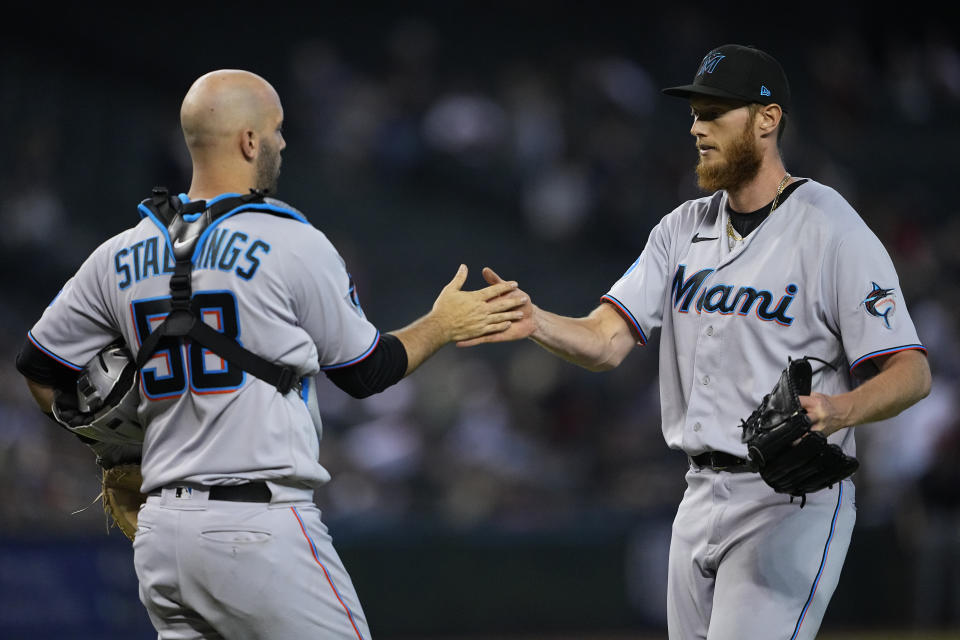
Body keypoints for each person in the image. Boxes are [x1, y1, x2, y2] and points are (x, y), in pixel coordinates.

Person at [15, 69, 527, 639]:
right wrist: (442, 324)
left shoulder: (118, 253)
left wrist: (116, 452)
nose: (283, 142)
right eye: (277, 129)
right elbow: (366, 372)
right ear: (249, 141)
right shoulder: (291, 241)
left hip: (161, 535)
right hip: (257, 529)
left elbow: (40, 372)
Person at [462, 44, 932, 639]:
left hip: (788, 498)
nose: (697, 129)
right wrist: (538, 322)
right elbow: (607, 340)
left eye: (714, 113)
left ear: (768, 119)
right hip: (696, 496)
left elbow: (911, 370)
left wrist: (842, 409)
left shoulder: (829, 226)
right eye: (694, 115)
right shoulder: (680, 229)